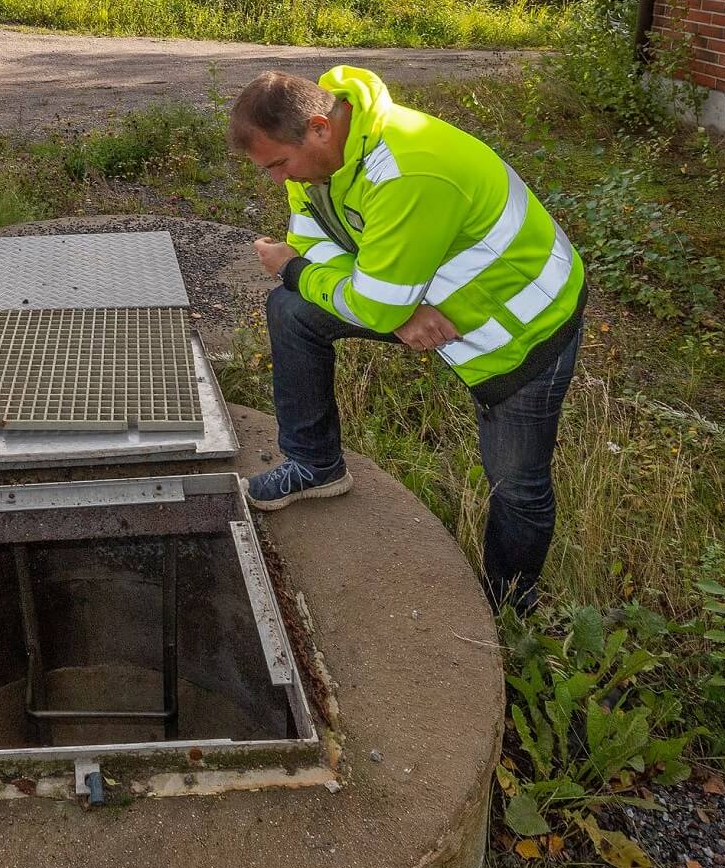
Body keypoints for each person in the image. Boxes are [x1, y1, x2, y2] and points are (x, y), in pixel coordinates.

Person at [229, 67, 585, 612]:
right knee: (292, 311)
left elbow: (310, 264)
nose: (277, 181)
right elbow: (313, 240)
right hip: (436, 308)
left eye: (278, 164)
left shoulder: (407, 170)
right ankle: (315, 466)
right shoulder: (321, 166)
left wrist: (301, 273)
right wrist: (392, 308)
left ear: (320, 127)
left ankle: (511, 607)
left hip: (521, 328)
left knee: (516, 482)